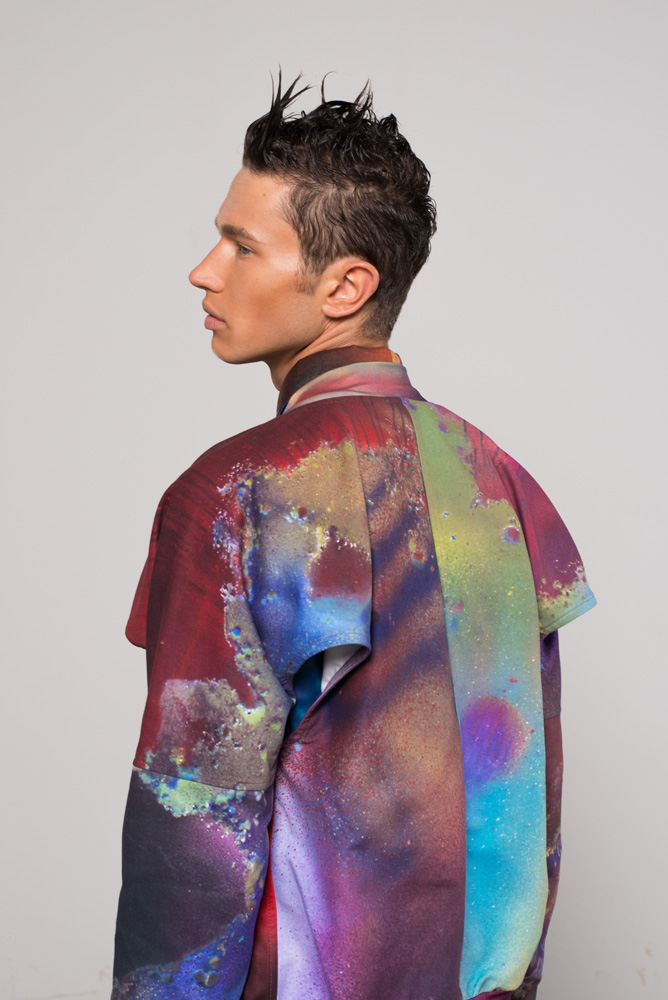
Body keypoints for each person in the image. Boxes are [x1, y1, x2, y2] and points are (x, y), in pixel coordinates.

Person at [111, 73, 596, 1000]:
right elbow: (526, 804)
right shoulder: (496, 481)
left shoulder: (234, 492)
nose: (205, 271)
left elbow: (195, 826)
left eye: (241, 245)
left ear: (346, 285)